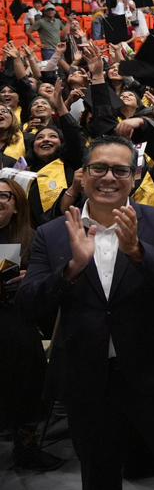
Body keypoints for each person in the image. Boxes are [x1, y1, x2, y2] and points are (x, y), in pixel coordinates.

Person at [17, 136, 154, 490]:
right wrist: (72, 268)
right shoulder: (52, 233)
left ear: (134, 177)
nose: (109, 177)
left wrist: (138, 252)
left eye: (120, 170)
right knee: (99, 482)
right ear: (83, 174)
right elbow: (28, 304)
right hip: (89, 379)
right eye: (99, 168)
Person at [0, 176, 62, 471]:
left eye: (4, 196)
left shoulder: (32, 238)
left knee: (21, 346)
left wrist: (33, 278)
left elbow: (53, 283)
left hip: (17, 316)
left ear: (16, 206)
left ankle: (26, 445)